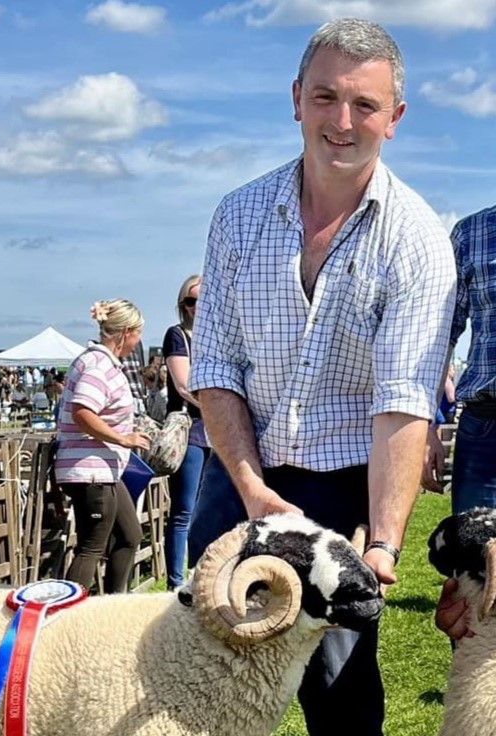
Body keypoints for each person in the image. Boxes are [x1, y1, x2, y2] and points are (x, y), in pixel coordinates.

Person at [186, 19, 456, 736]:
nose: (343, 121)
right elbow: (214, 369)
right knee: (202, 668)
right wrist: (250, 490)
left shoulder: (419, 241)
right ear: (296, 99)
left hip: (344, 483)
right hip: (242, 473)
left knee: (337, 679)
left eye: (364, 105)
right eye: (326, 97)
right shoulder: (239, 216)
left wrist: (382, 546)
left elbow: (402, 400)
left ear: (393, 119)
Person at [55, 299, 151, 594]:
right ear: (126, 332)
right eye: (137, 334)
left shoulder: (98, 362)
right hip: (90, 470)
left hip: (102, 469)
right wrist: (123, 438)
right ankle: (64, 611)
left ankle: (113, 603)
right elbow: (83, 411)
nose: (138, 342)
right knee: (92, 545)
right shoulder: (98, 365)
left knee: (129, 535)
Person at [423, 206, 496, 512]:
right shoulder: (471, 234)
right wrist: (427, 426)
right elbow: (440, 336)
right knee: (474, 553)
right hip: (486, 427)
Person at [162, 275, 210, 591]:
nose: (197, 306)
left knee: (209, 507)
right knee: (184, 509)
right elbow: (183, 384)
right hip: (190, 429)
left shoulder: (218, 336)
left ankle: (201, 577)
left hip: (217, 432)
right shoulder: (178, 336)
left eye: (202, 299)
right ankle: (176, 582)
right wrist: (219, 408)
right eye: (190, 301)